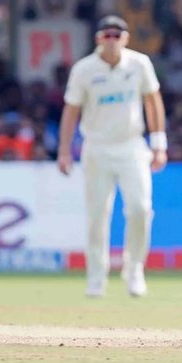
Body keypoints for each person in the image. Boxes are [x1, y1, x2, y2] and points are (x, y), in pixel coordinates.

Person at [57, 15, 167, 298]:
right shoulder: (84, 69)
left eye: (117, 35)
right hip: (97, 147)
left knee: (140, 209)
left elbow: (152, 100)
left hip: (131, 146)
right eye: (107, 35)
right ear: (98, 39)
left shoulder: (139, 63)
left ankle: (134, 270)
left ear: (126, 39)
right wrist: (64, 150)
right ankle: (96, 276)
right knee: (97, 215)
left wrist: (159, 144)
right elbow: (71, 110)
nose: (112, 40)